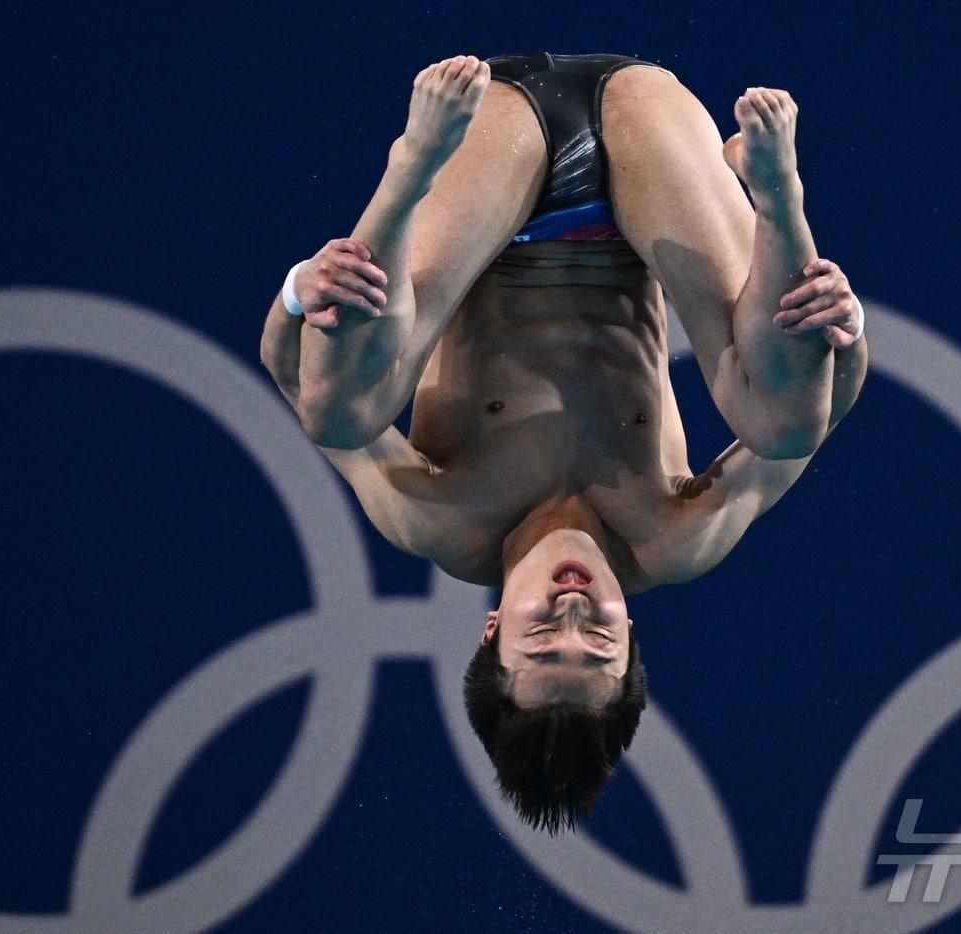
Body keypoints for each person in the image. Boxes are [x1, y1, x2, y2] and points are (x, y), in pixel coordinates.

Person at [259, 52, 867, 832]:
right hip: (649, 160)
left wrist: (297, 292)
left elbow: (297, 382)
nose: (573, 610)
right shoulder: (670, 539)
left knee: (338, 412)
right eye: (599, 638)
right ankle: (778, 202)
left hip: (491, 169)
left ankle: (406, 171)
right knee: (782, 422)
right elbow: (816, 422)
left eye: (542, 635)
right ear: (631, 635)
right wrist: (844, 331)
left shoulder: (439, 519)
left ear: (491, 629)